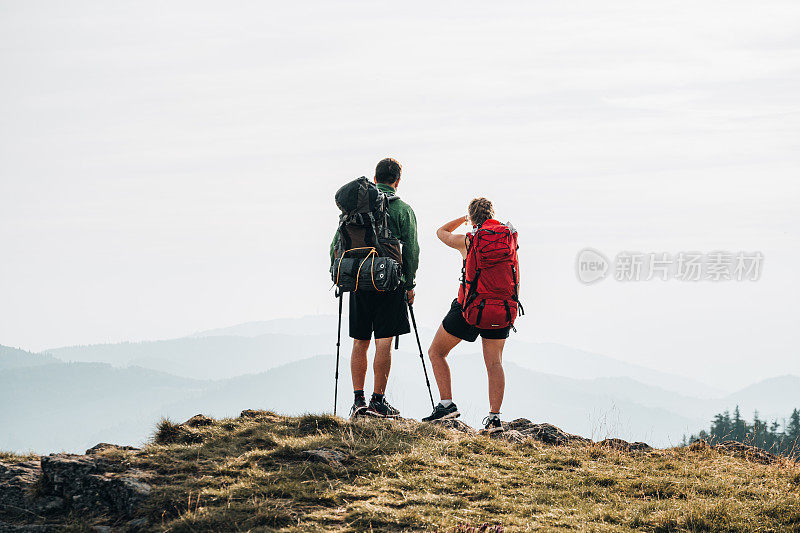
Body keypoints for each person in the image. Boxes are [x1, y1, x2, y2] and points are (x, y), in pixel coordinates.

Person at [330, 158, 419, 419]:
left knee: (360, 341)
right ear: (398, 180)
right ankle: (378, 401)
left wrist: (342, 273)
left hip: (358, 278)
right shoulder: (402, 209)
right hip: (389, 283)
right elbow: (412, 250)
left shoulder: (354, 209)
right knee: (384, 341)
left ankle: (358, 401)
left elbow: (335, 244)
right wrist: (409, 284)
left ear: (375, 177)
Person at [422, 198, 512, 434]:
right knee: (495, 363)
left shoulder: (468, 241)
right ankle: (495, 419)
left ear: (473, 218)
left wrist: (464, 219)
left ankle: (446, 404)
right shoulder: (508, 240)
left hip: (469, 308)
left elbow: (441, 232)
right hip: (501, 307)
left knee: (436, 352)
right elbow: (516, 276)